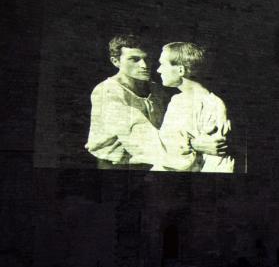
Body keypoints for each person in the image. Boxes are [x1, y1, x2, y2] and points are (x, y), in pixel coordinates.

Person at [85, 35, 224, 169]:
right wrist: (193, 144)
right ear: (115, 61)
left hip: (161, 161)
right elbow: (138, 135)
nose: (144, 65)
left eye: (147, 59)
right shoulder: (107, 92)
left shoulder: (157, 90)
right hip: (118, 166)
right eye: (134, 59)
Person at [155, 41, 234, 173]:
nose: (158, 70)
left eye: (162, 64)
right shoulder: (176, 100)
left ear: (181, 70)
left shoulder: (213, 105)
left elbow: (217, 160)